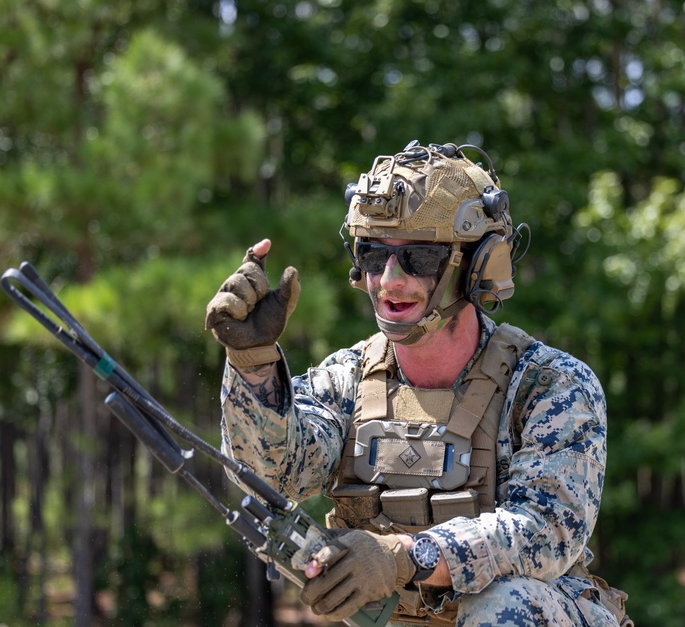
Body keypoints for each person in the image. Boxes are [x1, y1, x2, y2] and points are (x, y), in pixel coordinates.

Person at [205, 141, 631, 626]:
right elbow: (274, 478)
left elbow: (545, 533)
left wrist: (406, 557)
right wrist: (254, 365)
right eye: (373, 254)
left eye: (420, 258)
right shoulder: (348, 379)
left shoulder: (548, 387)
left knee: (506, 601)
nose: (389, 280)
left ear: (478, 263)